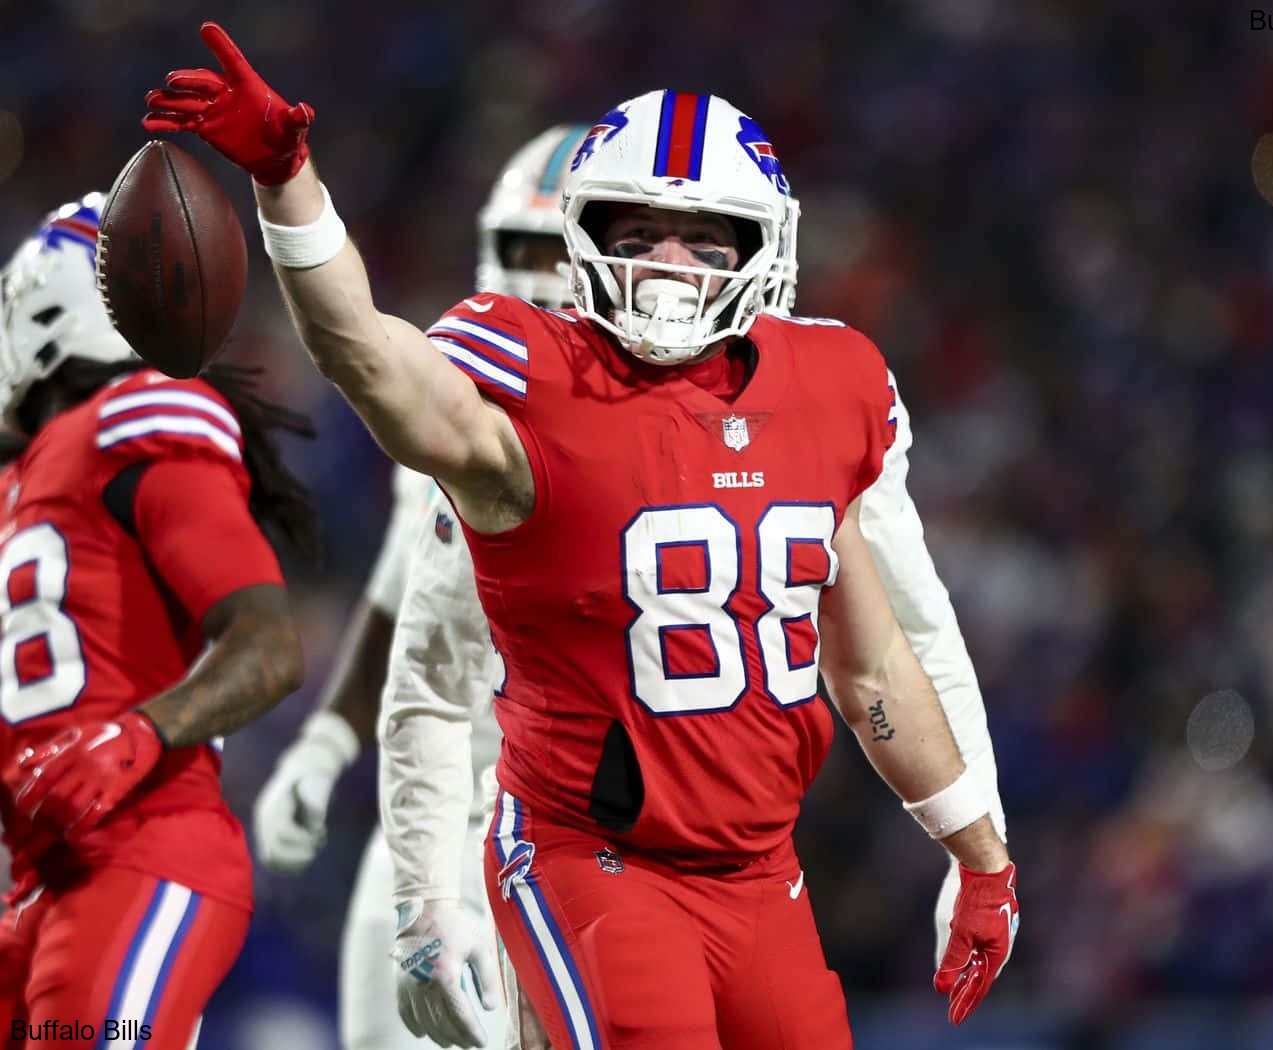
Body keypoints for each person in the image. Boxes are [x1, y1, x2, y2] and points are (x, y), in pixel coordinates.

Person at [145, 23, 1020, 1049]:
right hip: (592, 857)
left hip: (759, 869)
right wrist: (289, 183)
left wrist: (980, 857)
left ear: (762, 251)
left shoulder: (830, 388)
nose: (669, 265)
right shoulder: (531, 379)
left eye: (703, 240)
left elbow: (871, 667)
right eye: (637, 234)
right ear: (583, 237)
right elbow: (365, 355)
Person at [251, 124, 587, 1050]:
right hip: (437, 815)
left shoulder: (664, 428)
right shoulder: (457, 398)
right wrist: (324, 745)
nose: (541, 277)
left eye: (560, 251)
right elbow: (401, 599)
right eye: (524, 250)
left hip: (578, 830)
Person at [0, 191, 317, 1048]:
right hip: (34, 883)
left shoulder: (131, 422)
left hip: (142, 852)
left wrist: (133, 736)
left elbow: (267, 644)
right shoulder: (23, 480)